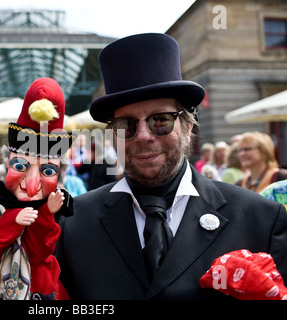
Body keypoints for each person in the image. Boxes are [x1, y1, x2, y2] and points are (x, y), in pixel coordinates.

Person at [55, 33, 287, 300]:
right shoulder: (73, 222)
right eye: (126, 125)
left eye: (161, 120)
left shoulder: (261, 219)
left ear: (188, 127)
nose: (143, 135)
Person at [0, 78, 74, 300]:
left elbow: (42, 252)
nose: (31, 187)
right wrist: (13, 220)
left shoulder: (57, 208)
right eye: (20, 166)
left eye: (47, 171)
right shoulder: (6, 204)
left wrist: (47, 214)